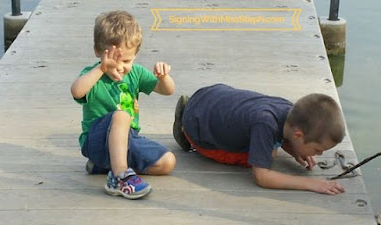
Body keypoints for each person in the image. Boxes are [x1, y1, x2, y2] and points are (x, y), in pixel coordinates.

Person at [71, 10, 176, 200]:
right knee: (121, 115)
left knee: (167, 162)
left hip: (128, 139)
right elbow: (77, 91)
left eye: (126, 60)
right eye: (113, 61)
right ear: (97, 51)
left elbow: (167, 90)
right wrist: (101, 68)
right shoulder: (93, 74)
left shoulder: (136, 73)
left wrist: (164, 77)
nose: (120, 67)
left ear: (136, 54)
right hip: (96, 141)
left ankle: (106, 166)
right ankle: (119, 177)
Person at [173, 83, 346, 195]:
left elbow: (284, 134)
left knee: (267, 145)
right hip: (196, 128)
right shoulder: (265, 123)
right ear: (298, 135)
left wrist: (294, 149)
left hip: (207, 95)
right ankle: (185, 130)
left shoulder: (288, 110)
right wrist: (312, 184)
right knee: (266, 156)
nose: (320, 153)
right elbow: (262, 177)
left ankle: (191, 108)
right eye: (317, 149)